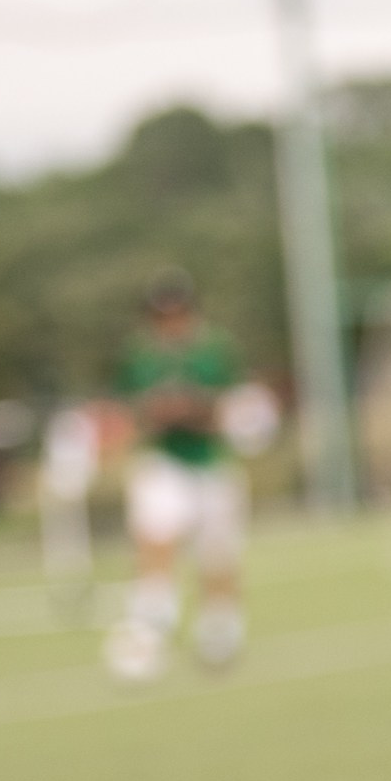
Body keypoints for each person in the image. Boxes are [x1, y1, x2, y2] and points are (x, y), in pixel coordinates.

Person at [105, 274, 249, 687]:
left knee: (216, 554)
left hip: (210, 461)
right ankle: (150, 629)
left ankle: (219, 630)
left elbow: (233, 408)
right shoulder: (140, 355)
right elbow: (133, 409)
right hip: (164, 461)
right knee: (156, 540)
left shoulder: (215, 349)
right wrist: (158, 414)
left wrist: (196, 411)